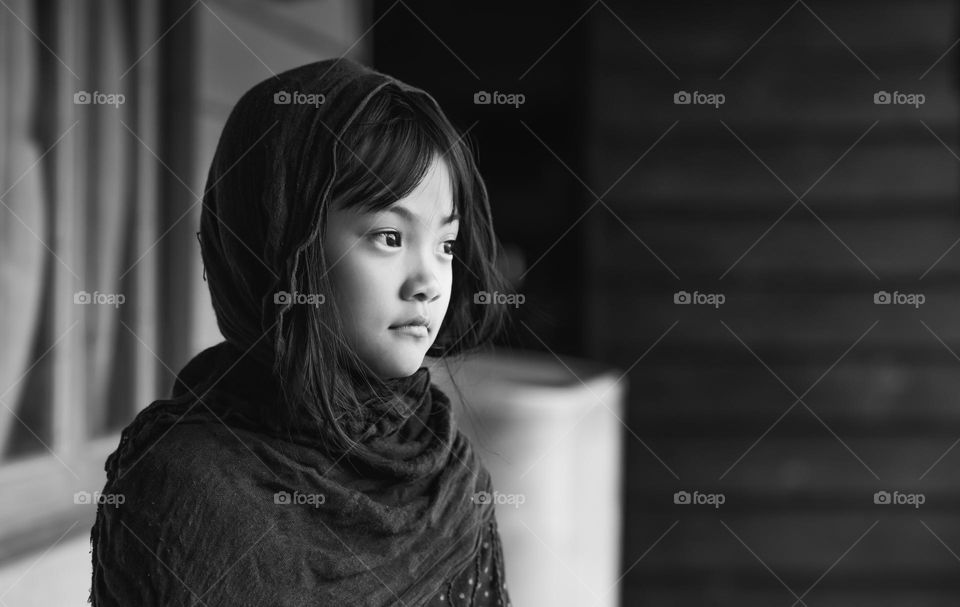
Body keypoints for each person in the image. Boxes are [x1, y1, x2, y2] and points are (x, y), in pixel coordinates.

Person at [89, 57, 514, 607]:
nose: (429, 281)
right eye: (389, 236)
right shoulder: (184, 490)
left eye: (447, 245)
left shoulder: (450, 474)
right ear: (279, 240)